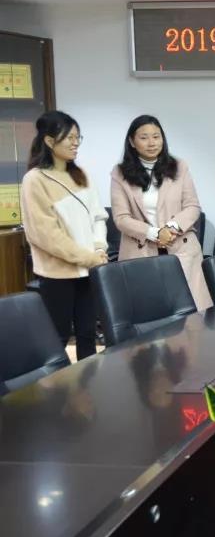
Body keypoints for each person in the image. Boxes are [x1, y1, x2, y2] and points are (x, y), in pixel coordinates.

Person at [21, 111, 108, 359]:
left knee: (88, 334)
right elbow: (46, 235)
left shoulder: (81, 174)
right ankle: (55, 384)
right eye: (69, 137)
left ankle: (90, 381)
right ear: (49, 141)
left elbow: (98, 216)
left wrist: (99, 248)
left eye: (78, 137)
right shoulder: (35, 180)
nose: (75, 143)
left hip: (89, 270)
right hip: (57, 274)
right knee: (57, 337)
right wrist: (89, 257)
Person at [110, 115, 212, 310]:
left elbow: (192, 206)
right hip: (140, 251)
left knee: (190, 314)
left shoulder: (179, 166)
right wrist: (154, 233)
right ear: (132, 141)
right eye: (144, 137)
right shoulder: (120, 173)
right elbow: (121, 218)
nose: (152, 143)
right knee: (149, 313)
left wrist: (170, 228)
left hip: (180, 247)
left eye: (156, 137)